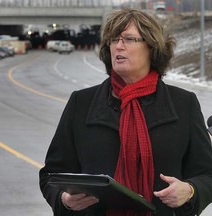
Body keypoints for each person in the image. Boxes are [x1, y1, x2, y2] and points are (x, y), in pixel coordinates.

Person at [39, 9, 212, 216]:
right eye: (114, 39)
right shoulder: (82, 102)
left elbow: (207, 174)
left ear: (152, 47)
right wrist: (64, 199)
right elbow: (52, 175)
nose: (119, 46)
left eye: (129, 39)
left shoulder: (184, 103)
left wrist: (190, 191)